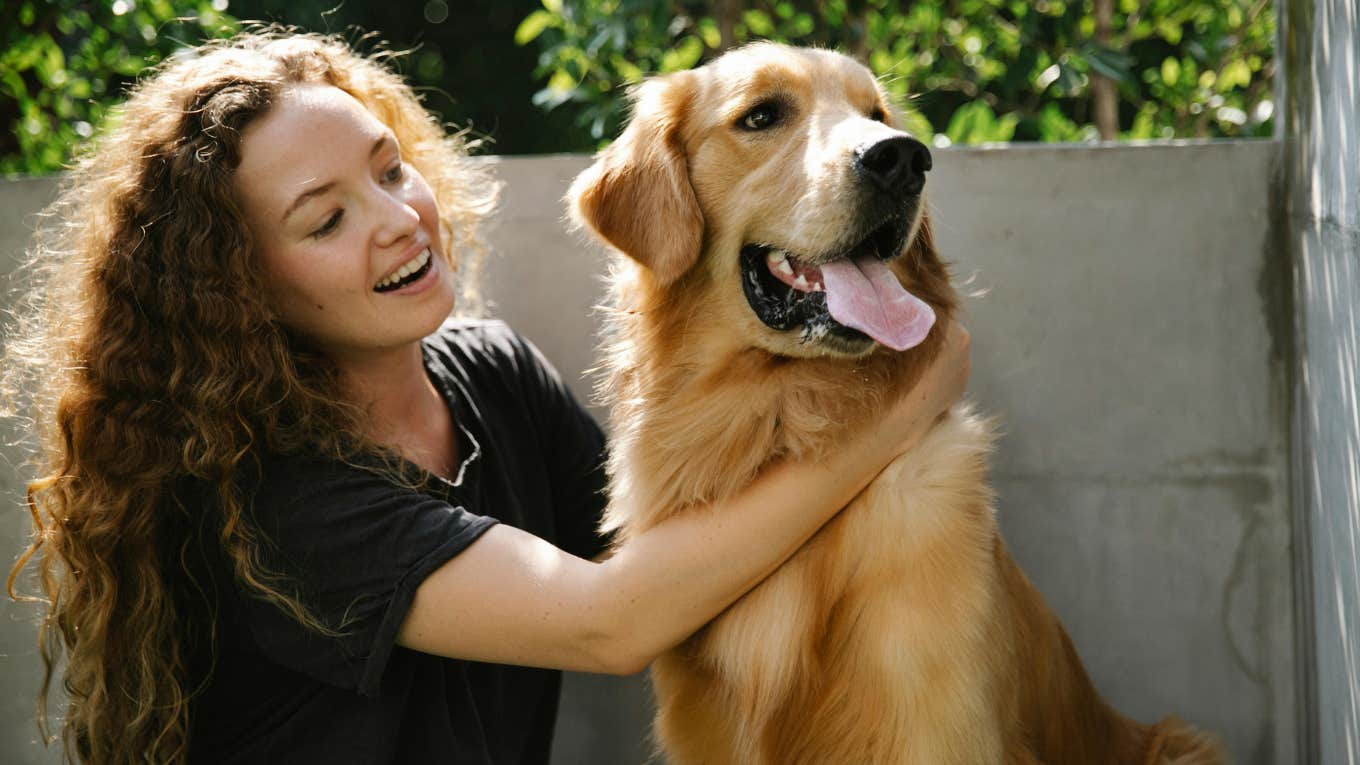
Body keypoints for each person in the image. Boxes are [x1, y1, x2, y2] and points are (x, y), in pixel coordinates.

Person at [2, 30, 971, 765]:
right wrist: (898, 413)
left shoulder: (493, 374)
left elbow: (685, 555)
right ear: (240, 292)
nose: (396, 219)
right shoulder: (273, 506)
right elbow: (616, 617)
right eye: (328, 218)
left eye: (390, 170)